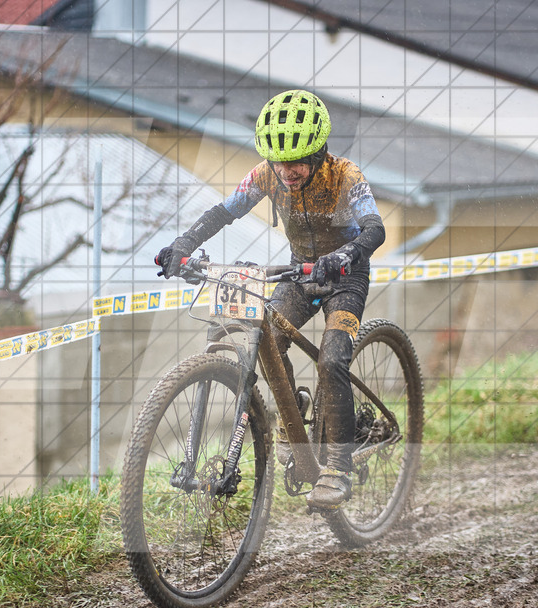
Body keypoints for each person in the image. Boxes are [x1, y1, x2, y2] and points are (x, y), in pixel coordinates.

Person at [156, 89, 385, 509]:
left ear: (318, 154)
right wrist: (183, 244)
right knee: (269, 347)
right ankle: (293, 412)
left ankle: (338, 466)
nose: (287, 171)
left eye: (296, 161)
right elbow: (224, 212)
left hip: (345, 275)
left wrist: (343, 256)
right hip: (299, 271)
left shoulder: (345, 174)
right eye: (279, 161)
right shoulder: (266, 174)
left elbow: (375, 229)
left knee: (332, 359)